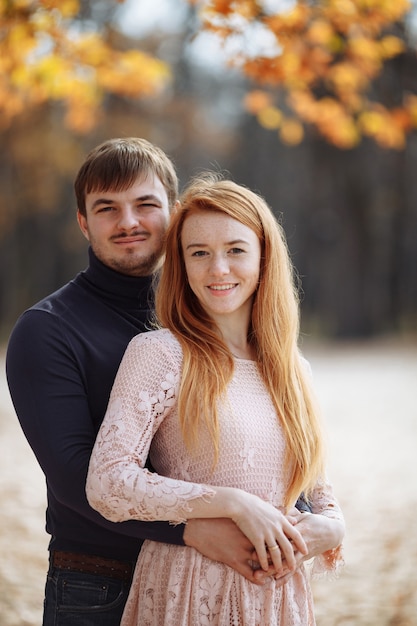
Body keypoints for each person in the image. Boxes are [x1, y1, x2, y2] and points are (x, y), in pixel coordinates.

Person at [6, 138, 340, 626]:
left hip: (249, 581)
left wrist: (327, 524)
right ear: (82, 222)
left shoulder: (225, 325)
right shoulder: (51, 329)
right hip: (98, 581)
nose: (128, 222)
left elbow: (283, 464)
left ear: (172, 211)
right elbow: (78, 478)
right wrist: (193, 531)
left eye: (145, 204)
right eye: (106, 209)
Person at [86, 172, 345, 625]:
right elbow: (107, 483)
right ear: (181, 264)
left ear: (265, 258)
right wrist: (234, 503)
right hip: (189, 590)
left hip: (278, 601)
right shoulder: (160, 353)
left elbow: (319, 493)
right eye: (199, 253)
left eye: (235, 251)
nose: (218, 269)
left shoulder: (292, 369)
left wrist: (332, 527)